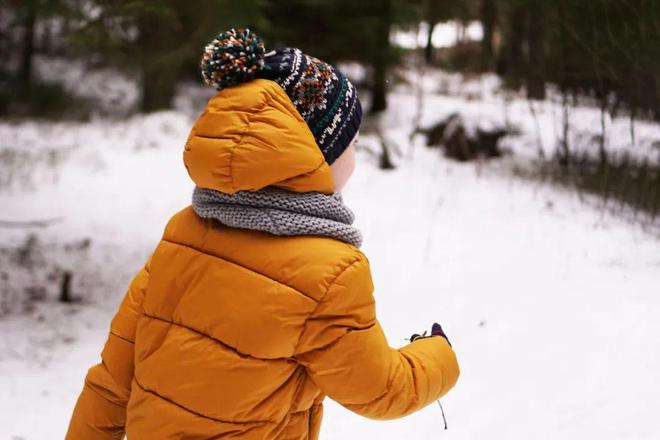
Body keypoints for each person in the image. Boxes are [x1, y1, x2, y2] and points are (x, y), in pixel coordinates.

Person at [66, 28, 459, 440]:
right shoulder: (329, 272)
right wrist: (437, 355)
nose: (356, 157)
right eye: (353, 142)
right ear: (315, 151)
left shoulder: (183, 233)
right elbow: (381, 390)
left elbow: (110, 384)